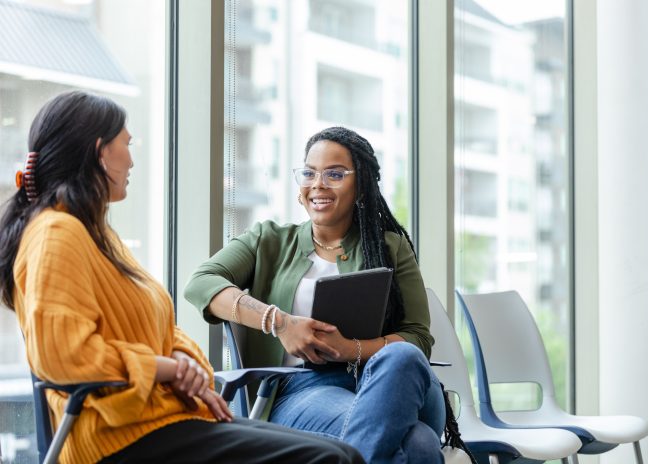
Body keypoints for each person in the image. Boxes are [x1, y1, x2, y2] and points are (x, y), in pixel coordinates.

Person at [0, 91, 365, 464]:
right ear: (101, 153)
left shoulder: (99, 236)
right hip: (116, 438)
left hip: (159, 420)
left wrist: (182, 360)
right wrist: (170, 369)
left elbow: (159, 330)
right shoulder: (55, 235)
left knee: (341, 453)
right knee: (332, 459)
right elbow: (65, 356)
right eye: (127, 144)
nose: (132, 158)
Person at [185, 126, 462, 463]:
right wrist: (280, 323)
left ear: (361, 187)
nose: (318, 184)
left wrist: (352, 350)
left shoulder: (390, 247)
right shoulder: (268, 240)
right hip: (302, 392)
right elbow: (201, 282)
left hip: (398, 385)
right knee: (417, 443)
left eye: (334, 174)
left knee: (402, 358)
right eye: (309, 172)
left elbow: (417, 339)